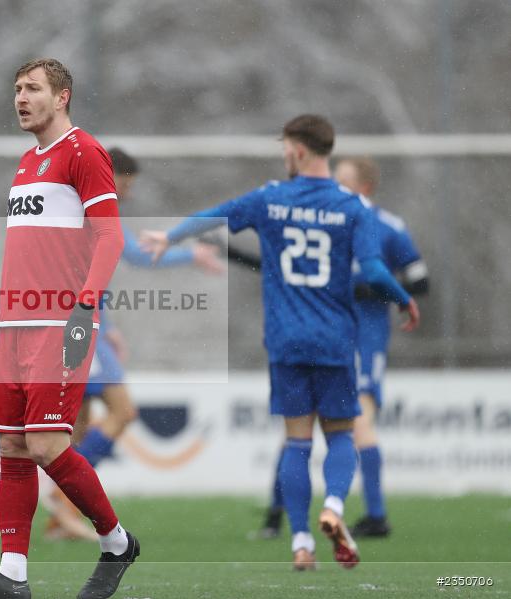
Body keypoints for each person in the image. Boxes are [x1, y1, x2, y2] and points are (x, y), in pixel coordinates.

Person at [141, 115, 420, 571]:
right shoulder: (353, 207)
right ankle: (333, 504)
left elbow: (212, 217)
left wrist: (168, 236)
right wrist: (403, 299)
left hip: (287, 341)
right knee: (341, 435)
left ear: (299, 151)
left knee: (296, 443)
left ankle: (302, 543)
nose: (283, 154)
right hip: (334, 340)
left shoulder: (270, 199)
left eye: (285, 146)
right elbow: (371, 271)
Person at [0, 58, 137, 599]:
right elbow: (25, 253)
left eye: (33, 88)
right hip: (17, 324)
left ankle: (117, 542)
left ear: (63, 97)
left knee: (48, 444)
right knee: (12, 447)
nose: (21, 98)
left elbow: (111, 239)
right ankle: (12, 575)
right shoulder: (27, 162)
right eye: (16, 89)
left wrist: (83, 309)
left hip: (59, 322)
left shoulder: (84, 151)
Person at [45, 147, 225, 541]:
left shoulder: (68, 205)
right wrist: (191, 254)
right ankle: (62, 497)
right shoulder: (93, 208)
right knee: (122, 411)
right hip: (78, 326)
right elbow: (135, 257)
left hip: (73, 323)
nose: (124, 194)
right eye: (123, 185)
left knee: (79, 422)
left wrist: (106, 323)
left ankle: (64, 517)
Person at [253, 157, 429, 542]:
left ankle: (375, 514)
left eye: (344, 180)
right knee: (296, 431)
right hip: (319, 335)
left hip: (363, 340)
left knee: (356, 423)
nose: (334, 184)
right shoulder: (321, 217)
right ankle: (276, 514)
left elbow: (420, 279)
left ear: (365, 187)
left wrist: (369, 289)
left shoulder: (387, 226)